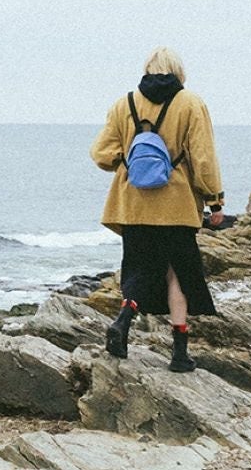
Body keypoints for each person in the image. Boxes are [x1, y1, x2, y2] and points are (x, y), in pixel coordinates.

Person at [90, 47, 224, 372]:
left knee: (138, 270)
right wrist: (214, 200)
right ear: (178, 70)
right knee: (177, 273)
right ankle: (179, 354)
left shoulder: (126, 103)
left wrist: (128, 161)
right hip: (176, 207)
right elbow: (203, 159)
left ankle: (122, 323)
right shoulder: (191, 103)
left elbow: (100, 154)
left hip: (133, 205)